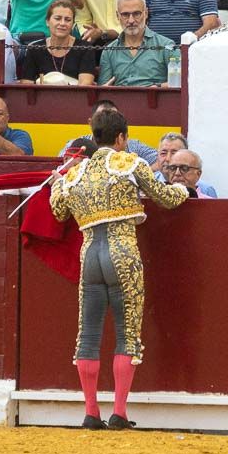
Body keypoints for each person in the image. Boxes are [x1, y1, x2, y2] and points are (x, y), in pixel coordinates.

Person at [49, 106, 188, 429]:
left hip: (89, 258)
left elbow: (57, 212)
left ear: (95, 137)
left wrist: (57, 179)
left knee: (88, 334)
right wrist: (182, 190)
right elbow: (165, 197)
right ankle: (119, 413)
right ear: (122, 138)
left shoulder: (75, 173)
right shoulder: (130, 163)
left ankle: (90, 412)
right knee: (127, 334)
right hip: (123, 253)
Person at [98, 0, 172, 85]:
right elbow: (103, 89)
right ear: (117, 16)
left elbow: (182, 82)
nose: (131, 20)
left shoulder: (166, 46)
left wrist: (158, 87)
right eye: (125, 14)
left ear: (146, 13)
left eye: (136, 14)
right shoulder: (109, 51)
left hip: (155, 99)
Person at [19, 0, 98, 83]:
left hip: (74, 96)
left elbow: (85, 85)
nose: (62, 23)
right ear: (47, 21)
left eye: (67, 20)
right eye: (57, 18)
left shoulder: (85, 48)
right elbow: (27, 84)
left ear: (73, 24)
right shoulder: (35, 48)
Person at [60, 99, 159, 163]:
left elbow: (161, 160)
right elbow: (59, 166)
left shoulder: (133, 146)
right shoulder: (76, 145)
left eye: (114, 118)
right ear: (91, 123)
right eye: (101, 118)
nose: (109, 123)